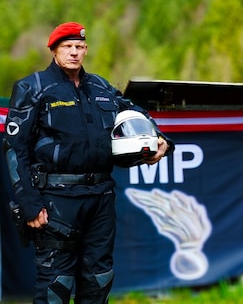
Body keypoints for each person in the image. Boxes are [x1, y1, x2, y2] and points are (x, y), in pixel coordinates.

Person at [3, 21, 174, 304]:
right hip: (56, 201)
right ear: (54, 50)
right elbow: (14, 148)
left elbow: (135, 114)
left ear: (86, 50)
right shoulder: (32, 87)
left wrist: (162, 140)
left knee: (99, 279)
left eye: (80, 47)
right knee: (56, 284)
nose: (74, 52)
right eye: (68, 47)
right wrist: (30, 203)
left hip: (101, 199)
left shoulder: (101, 86)